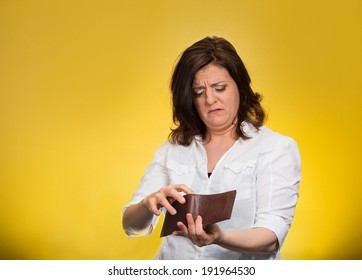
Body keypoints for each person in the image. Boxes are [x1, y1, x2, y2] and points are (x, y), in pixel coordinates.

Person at [122, 36, 301, 260]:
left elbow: (271, 238)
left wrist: (220, 237)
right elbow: (131, 226)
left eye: (220, 88)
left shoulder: (275, 148)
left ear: (240, 87)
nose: (210, 99)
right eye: (199, 92)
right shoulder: (173, 148)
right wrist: (148, 205)